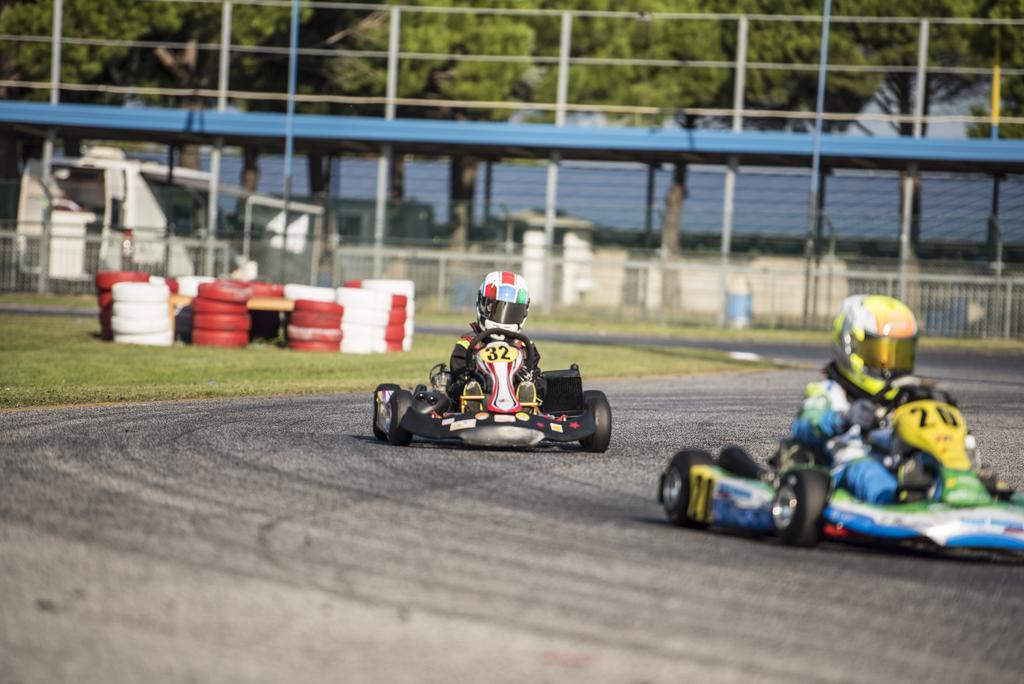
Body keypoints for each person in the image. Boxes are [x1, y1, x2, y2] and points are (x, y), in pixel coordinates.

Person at [780, 294, 1013, 504]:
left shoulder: (904, 395)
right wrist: (843, 418)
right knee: (868, 472)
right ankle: (896, 502)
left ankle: (969, 490)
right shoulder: (830, 391)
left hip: (896, 462)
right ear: (850, 345)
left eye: (899, 354)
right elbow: (805, 426)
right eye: (881, 354)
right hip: (845, 464)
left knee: (938, 463)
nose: (890, 365)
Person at [435, 271, 542, 413]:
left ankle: (525, 404)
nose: (503, 318)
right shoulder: (468, 343)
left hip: (515, 395)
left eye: (512, 312)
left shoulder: (525, 347)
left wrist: (528, 376)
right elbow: (458, 371)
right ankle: (473, 402)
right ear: (482, 304)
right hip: (481, 392)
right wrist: (476, 377)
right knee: (460, 386)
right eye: (496, 309)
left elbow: (536, 373)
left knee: (539, 384)